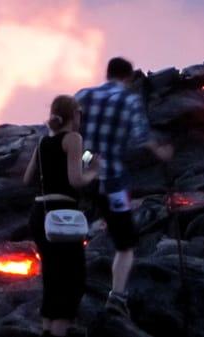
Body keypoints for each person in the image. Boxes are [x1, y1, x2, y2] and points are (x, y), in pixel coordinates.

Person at [75, 57, 173, 317]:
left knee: (73, 233)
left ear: (107, 74)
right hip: (112, 180)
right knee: (125, 242)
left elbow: (64, 126)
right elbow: (142, 137)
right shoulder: (129, 100)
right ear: (128, 78)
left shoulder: (85, 94)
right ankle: (117, 296)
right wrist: (162, 153)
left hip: (82, 173)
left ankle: (69, 287)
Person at [23, 95, 100, 337]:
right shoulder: (74, 139)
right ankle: (60, 331)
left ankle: (48, 329)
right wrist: (93, 171)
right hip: (62, 216)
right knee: (73, 278)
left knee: (52, 275)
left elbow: (27, 179)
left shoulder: (43, 142)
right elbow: (76, 181)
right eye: (79, 114)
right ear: (74, 114)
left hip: (40, 214)